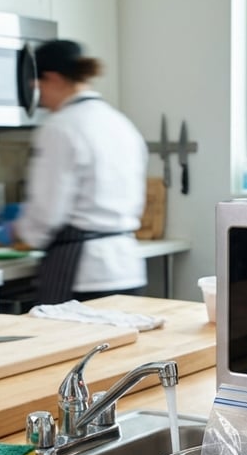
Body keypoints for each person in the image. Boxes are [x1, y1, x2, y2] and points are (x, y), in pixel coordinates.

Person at [8, 39, 149, 304]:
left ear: (52, 78)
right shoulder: (120, 123)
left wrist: (17, 231)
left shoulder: (59, 128)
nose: (40, 98)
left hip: (83, 274)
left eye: (38, 86)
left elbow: (47, 212)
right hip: (126, 267)